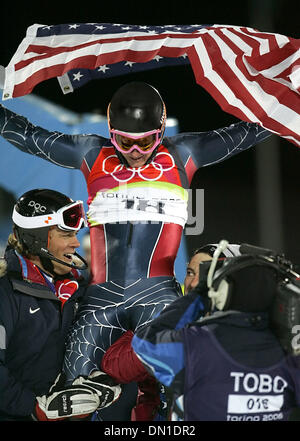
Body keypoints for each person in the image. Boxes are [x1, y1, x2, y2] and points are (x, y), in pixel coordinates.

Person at [0, 81, 272, 419]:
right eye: (124, 141)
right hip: (101, 298)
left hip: (157, 297)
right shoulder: (90, 151)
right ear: (111, 132)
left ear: (160, 130)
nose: (135, 151)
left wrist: (289, 92)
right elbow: (27, 135)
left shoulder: (185, 152)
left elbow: (263, 125)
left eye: (146, 141)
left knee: (187, 393)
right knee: (72, 401)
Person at [131, 240, 300, 421]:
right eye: (189, 273)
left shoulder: (195, 346)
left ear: (221, 291)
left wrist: (199, 298)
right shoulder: (291, 356)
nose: (194, 283)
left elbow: (144, 344)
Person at [0, 188, 121, 421]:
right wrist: (33, 410)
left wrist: (108, 378)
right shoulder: (5, 291)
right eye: (66, 235)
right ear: (36, 238)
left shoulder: (83, 288)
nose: (76, 243)